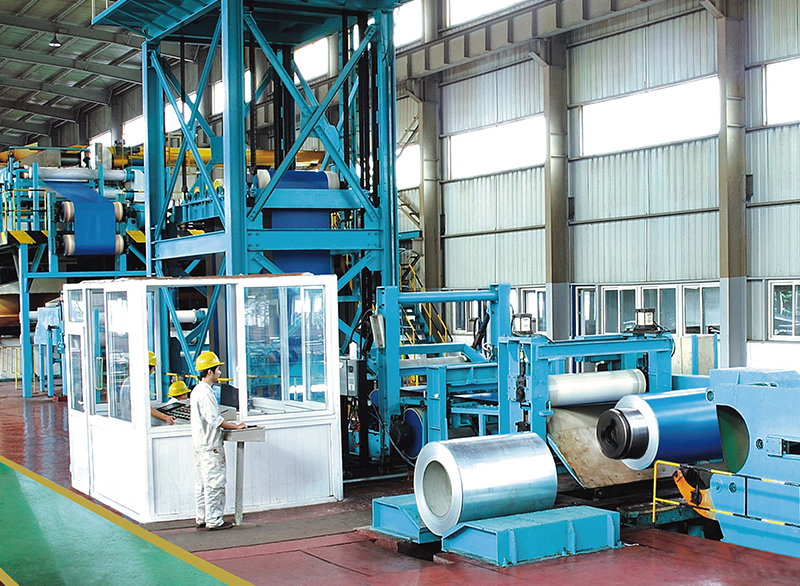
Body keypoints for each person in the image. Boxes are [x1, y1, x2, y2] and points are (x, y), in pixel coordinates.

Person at [191, 351, 246, 531]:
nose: (220, 373)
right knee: (215, 484)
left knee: (202, 484)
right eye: (218, 369)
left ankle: (202, 517)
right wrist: (234, 426)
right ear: (209, 371)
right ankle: (214, 520)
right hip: (211, 446)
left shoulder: (197, 390)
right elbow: (214, 419)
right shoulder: (206, 393)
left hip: (201, 446)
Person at [148, 351, 176, 425]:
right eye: (152, 369)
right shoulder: (139, 385)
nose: (152, 372)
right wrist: (165, 417)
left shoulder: (128, 381)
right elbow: (146, 408)